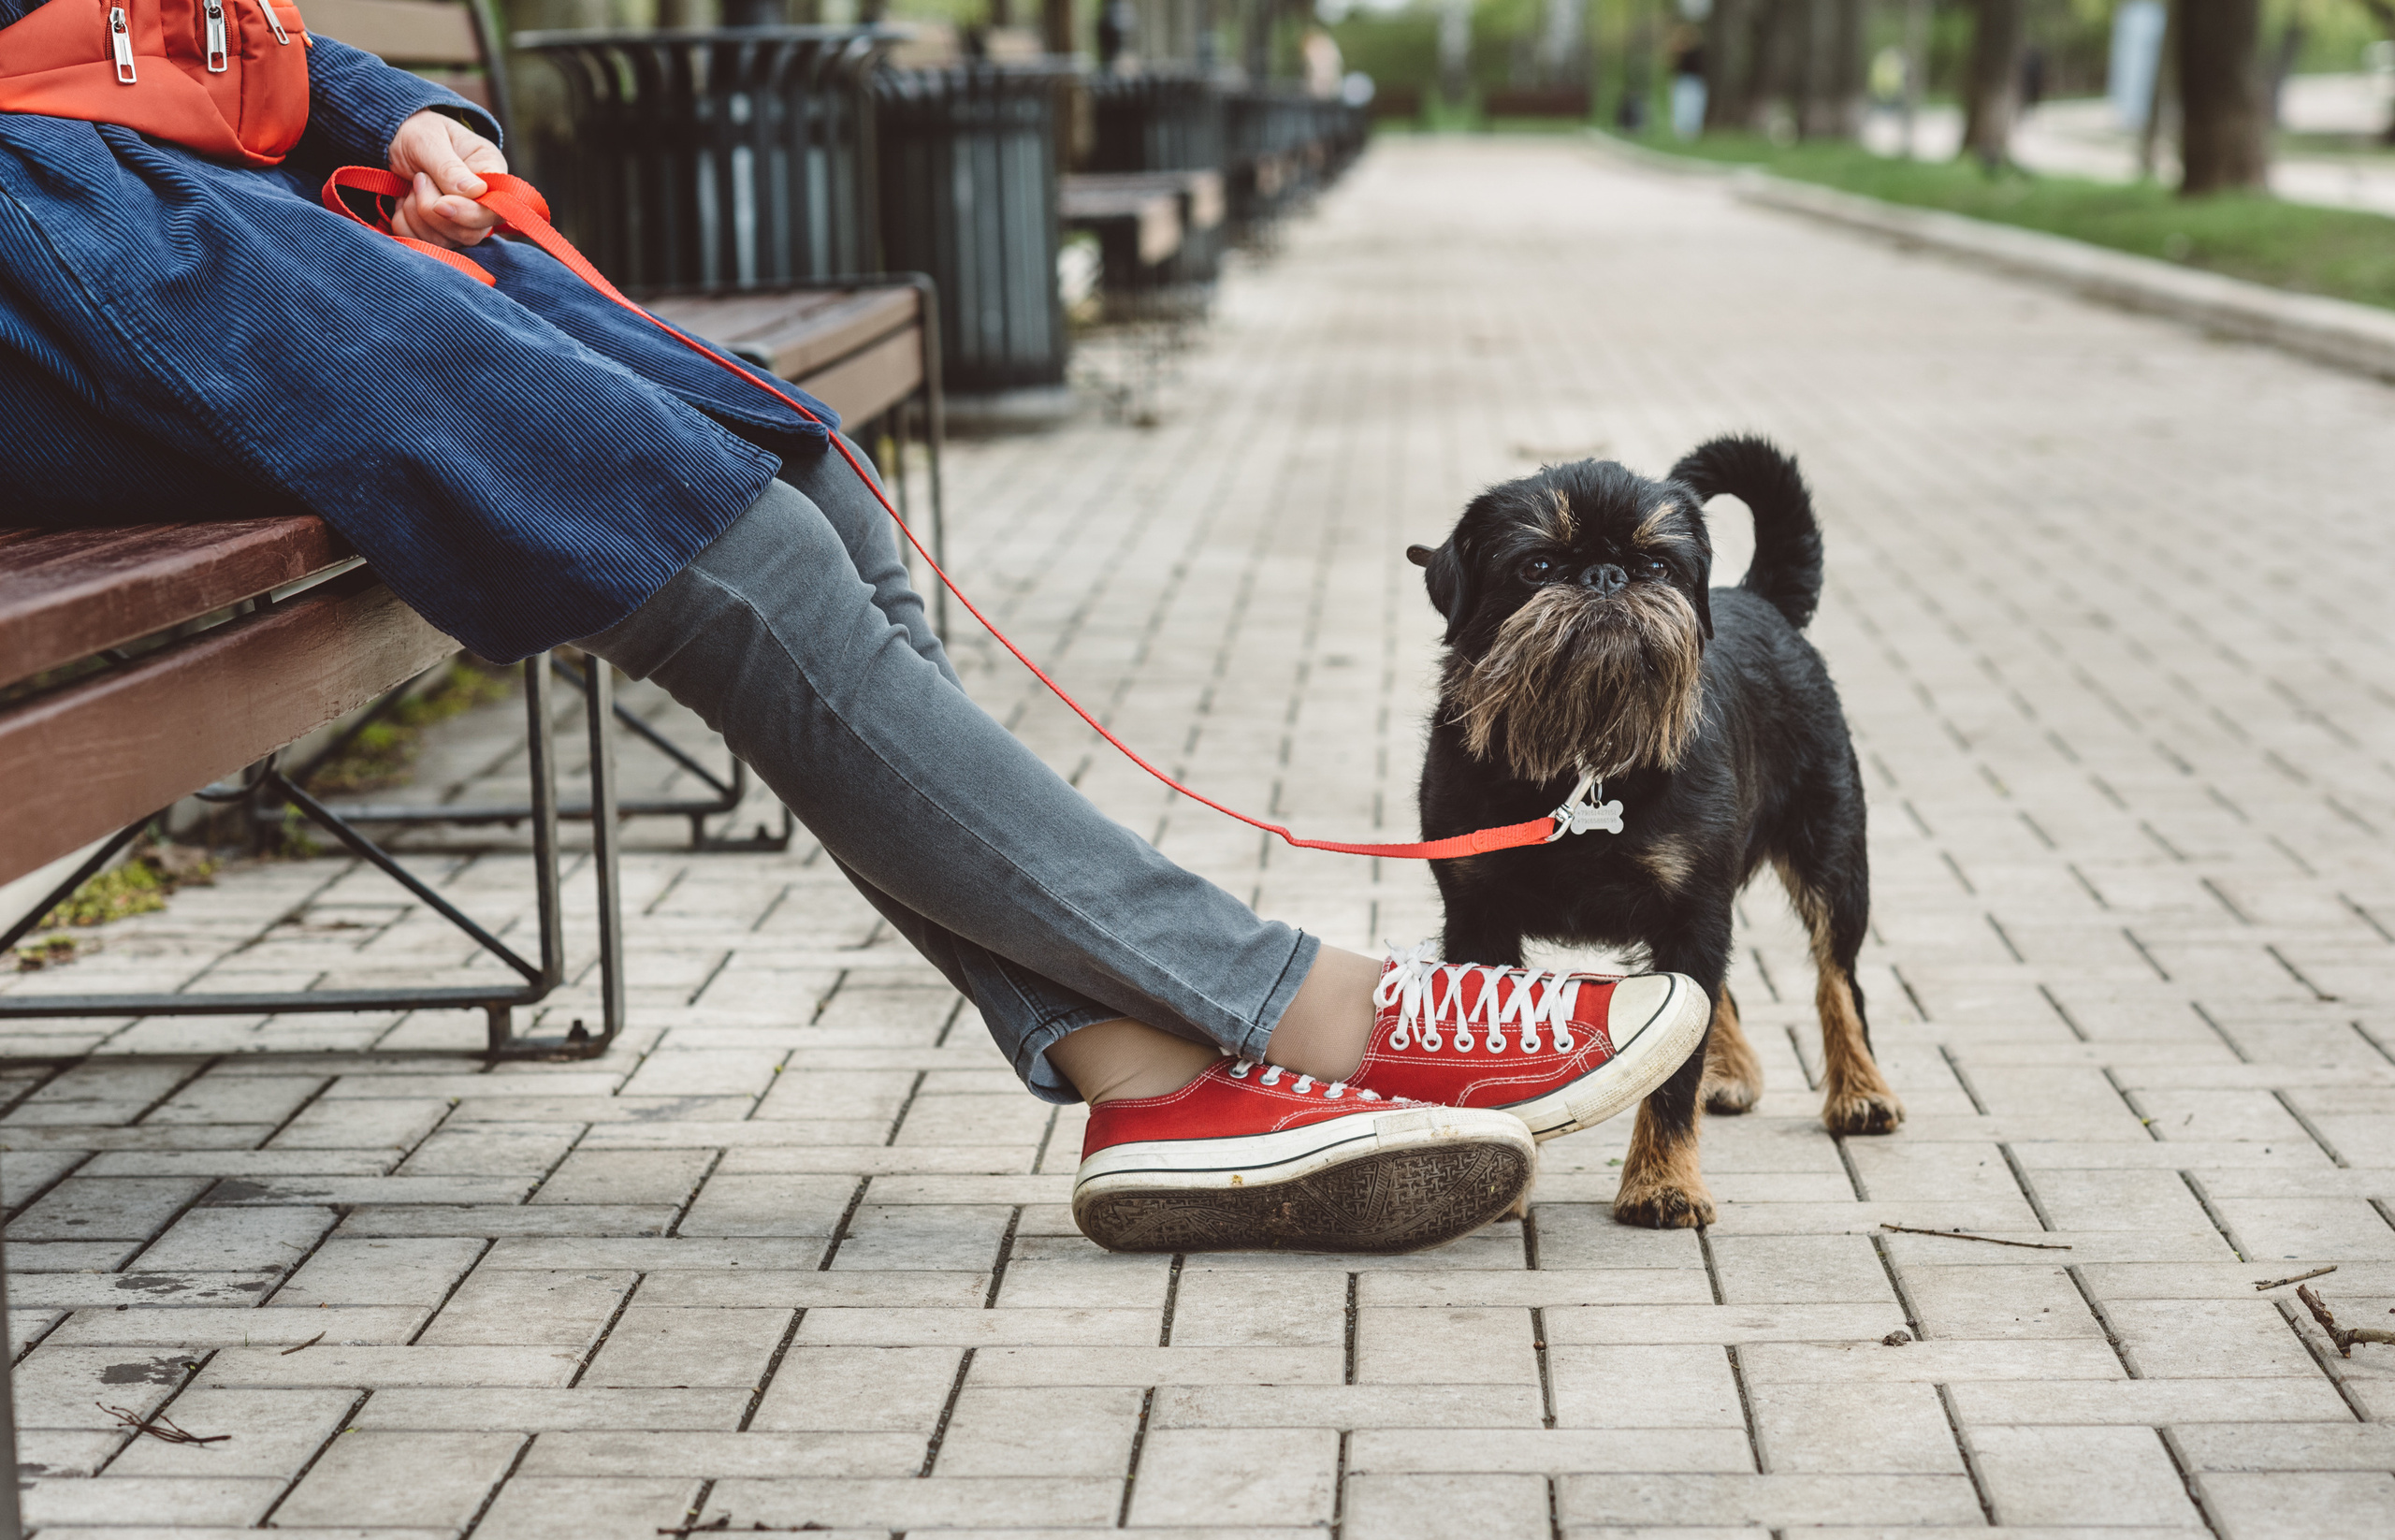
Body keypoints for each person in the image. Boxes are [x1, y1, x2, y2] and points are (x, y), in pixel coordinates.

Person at [0, 5, 1711, 1252]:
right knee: (715, 536)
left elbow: (222, 38)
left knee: (805, 475)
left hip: (171, 209)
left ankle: (1144, 1072)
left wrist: (409, 120)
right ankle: (1304, 1008)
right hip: (69, 244)